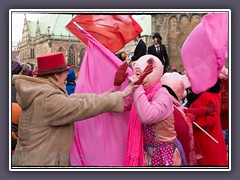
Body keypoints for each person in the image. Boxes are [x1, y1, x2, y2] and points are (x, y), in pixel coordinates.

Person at [12, 52, 137, 166]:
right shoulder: (48, 99)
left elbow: (78, 99)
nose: (67, 75)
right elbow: (84, 106)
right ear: (56, 75)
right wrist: (121, 94)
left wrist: (114, 89)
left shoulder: (44, 93)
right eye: (65, 72)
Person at [115, 55, 186, 166]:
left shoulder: (162, 96)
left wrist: (138, 87)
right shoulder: (142, 92)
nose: (134, 77)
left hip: (165, 155)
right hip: (147, 154)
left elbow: (147, 116)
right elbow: (120, 104)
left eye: (138, 73)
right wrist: (117, 86)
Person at [187, 79, 228, 166]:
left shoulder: (206, 96)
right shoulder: (212, 94)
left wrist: (190, 119)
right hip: (212, 137)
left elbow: (209, 120)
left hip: (206, 140)